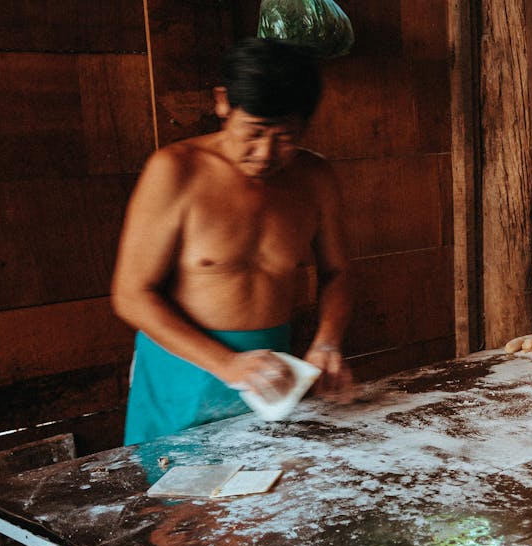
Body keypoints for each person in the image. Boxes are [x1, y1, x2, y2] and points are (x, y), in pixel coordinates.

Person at [112, 37, 353, 446]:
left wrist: (327, 341)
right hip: (184, 372)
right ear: (223, 103)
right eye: (254, 132)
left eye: (285, 137)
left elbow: (338, 272)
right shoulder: (176, 171)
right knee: (180, 503)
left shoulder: (315, 178)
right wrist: (226, 364)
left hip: (269, 377)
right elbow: (131, 294)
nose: (265, 152)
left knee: (265, 499)